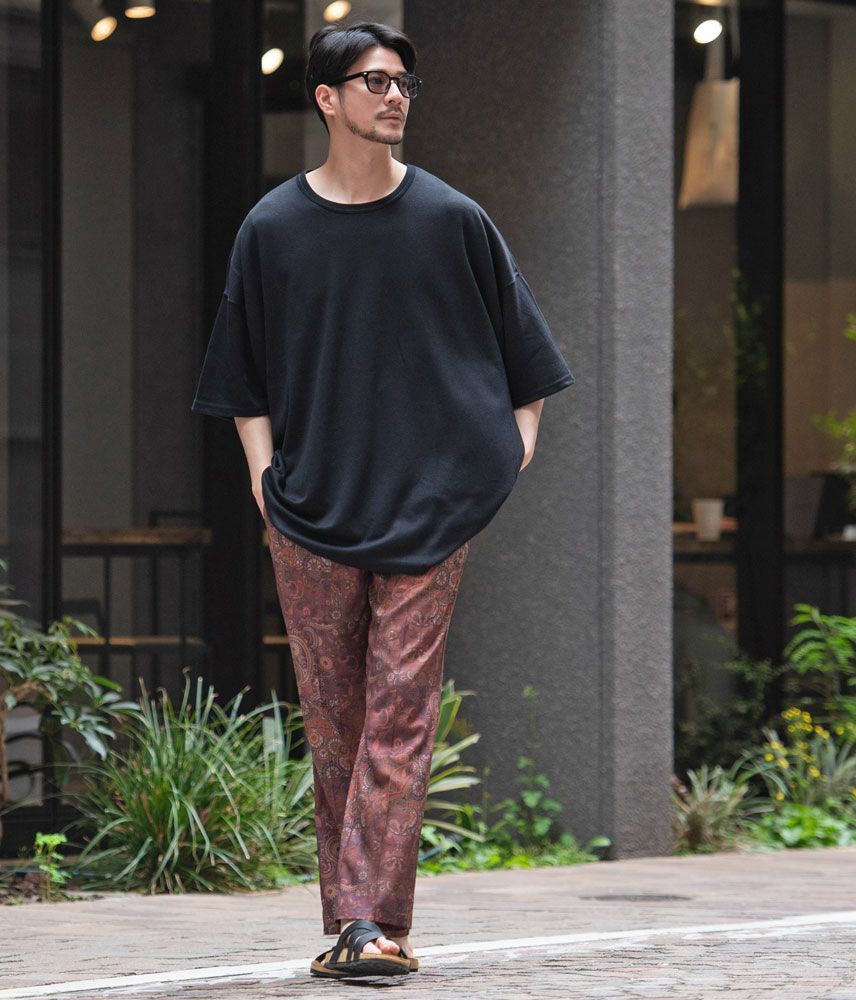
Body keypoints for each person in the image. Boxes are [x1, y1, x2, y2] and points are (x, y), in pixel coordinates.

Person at [191, 20, 575, 980]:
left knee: (400, 716)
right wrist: (264, 481)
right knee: (336, 723)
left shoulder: (451, 218)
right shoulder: (273, 228)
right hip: (309, 517)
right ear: (327, 99)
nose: (395, 95)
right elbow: (242, 380)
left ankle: (368, 925)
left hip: (429, 520)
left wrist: (507, 454)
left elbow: (527, 360)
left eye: (403, 81)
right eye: (374, 81)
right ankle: (354, 923)